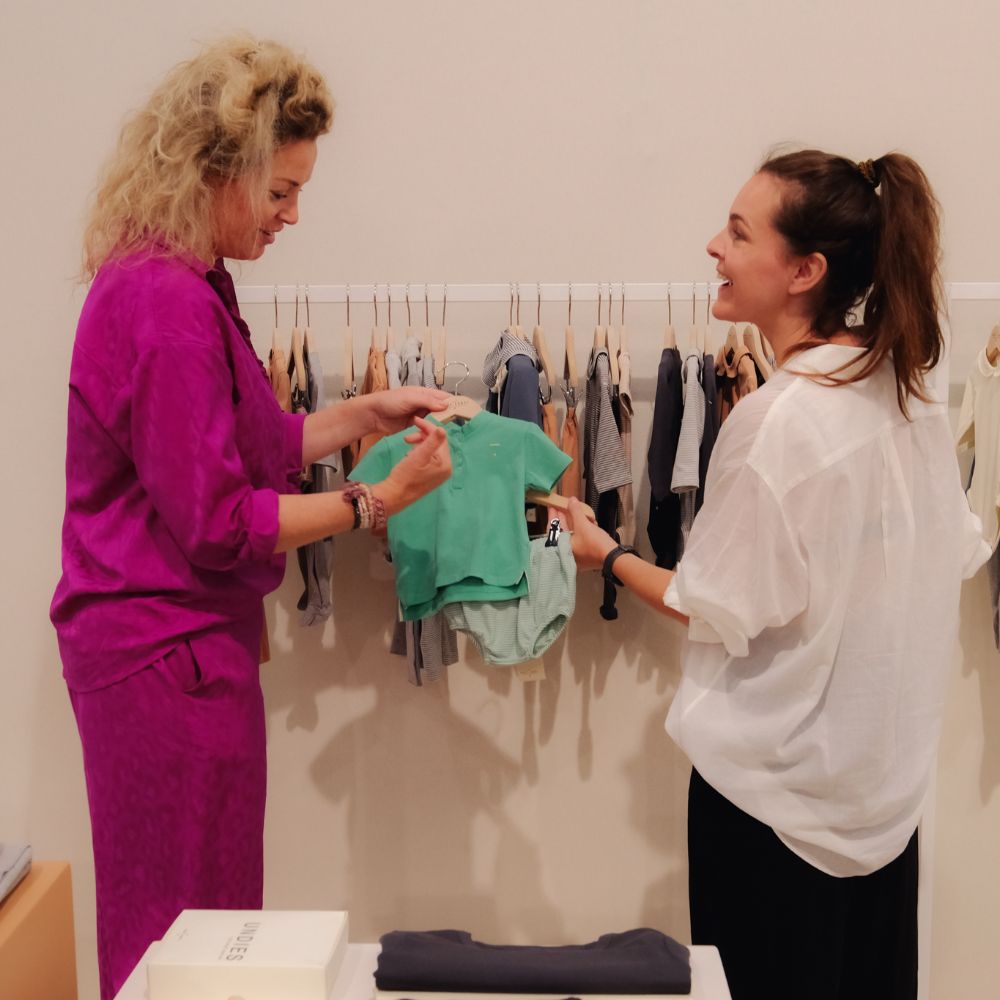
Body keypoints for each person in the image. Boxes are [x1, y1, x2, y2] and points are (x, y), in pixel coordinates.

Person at [49, 36, 451, 999]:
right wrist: (372, 502)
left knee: (208, 920)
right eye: (278, 190)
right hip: (160, 649)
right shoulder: (167, 306)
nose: (290, 216)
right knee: (178, 933)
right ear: (211, 170)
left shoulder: (184, 283)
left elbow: (255, 439)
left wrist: (366, 412)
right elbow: (221, 520)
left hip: (178, 643)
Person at [567, 149, 989, 999]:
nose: (713, 248)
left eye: (736, 231)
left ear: (805, 270)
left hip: (774, 810)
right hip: (880, 807)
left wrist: (604, 552)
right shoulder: (907, 397)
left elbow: (713, 607)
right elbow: (952, 550)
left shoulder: (778, 421)